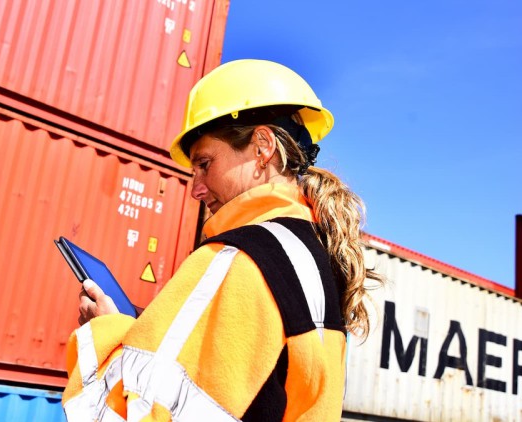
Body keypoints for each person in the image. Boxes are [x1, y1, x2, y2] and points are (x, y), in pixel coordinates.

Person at [61, 59, 383, 421]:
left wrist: (103, 331)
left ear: (262, 146)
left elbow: (133, 413)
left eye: (205, 164)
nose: (196, 188)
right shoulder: (312, 259)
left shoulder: (237, 257)